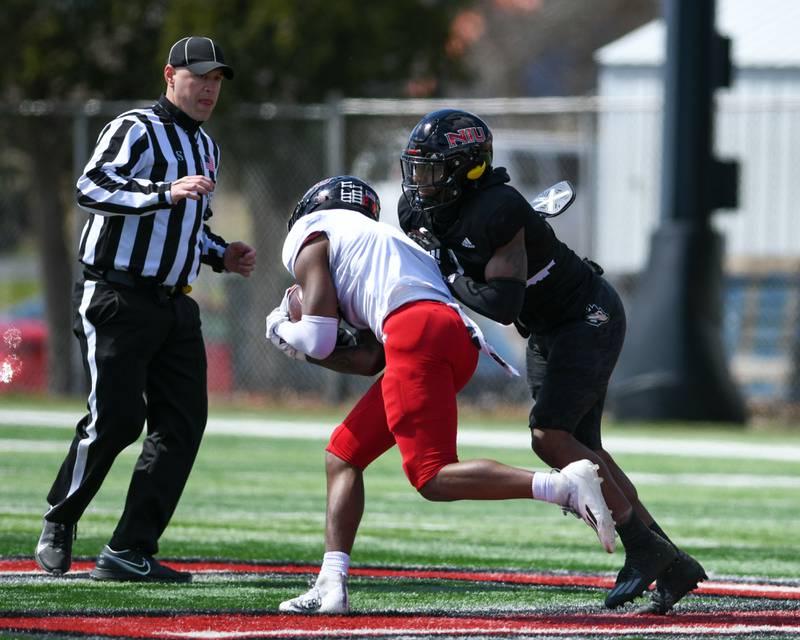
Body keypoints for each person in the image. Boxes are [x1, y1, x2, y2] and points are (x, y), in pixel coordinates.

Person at [397, 109, 706, 613]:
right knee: (580, 451)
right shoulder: (420, 211)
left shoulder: (498, 208)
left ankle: (646, 549)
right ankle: (669, 563)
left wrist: (448, 274)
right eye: (419, 170)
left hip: (586, 316)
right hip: (548, 329)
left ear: (469, 168)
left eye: (435, 170)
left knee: (551, 436)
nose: (422, 184)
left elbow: (502, 303)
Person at [265, 175, 616, 614]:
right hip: (450, 338)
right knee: (344, 453)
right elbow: (373, 360)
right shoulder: (382, 242)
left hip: (414, 332)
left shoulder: (312, 232)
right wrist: (308, 350)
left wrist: (281, 327)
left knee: (431, 475)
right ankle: (330, 584)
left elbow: (318, 340)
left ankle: (562, 486)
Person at [34, 36, 256, 583]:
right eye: (199, 75)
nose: (208, 87)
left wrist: (221, 254)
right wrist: (164, 190)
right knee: (117, 420)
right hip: (115, 295)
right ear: (169, 75)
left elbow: (185, 228)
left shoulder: (208, 147)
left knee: (183, 424)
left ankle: (129, 548)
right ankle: (60, 519)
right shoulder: (135, 126)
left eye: (217, 79)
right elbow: (90, 187)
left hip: (175, 305)